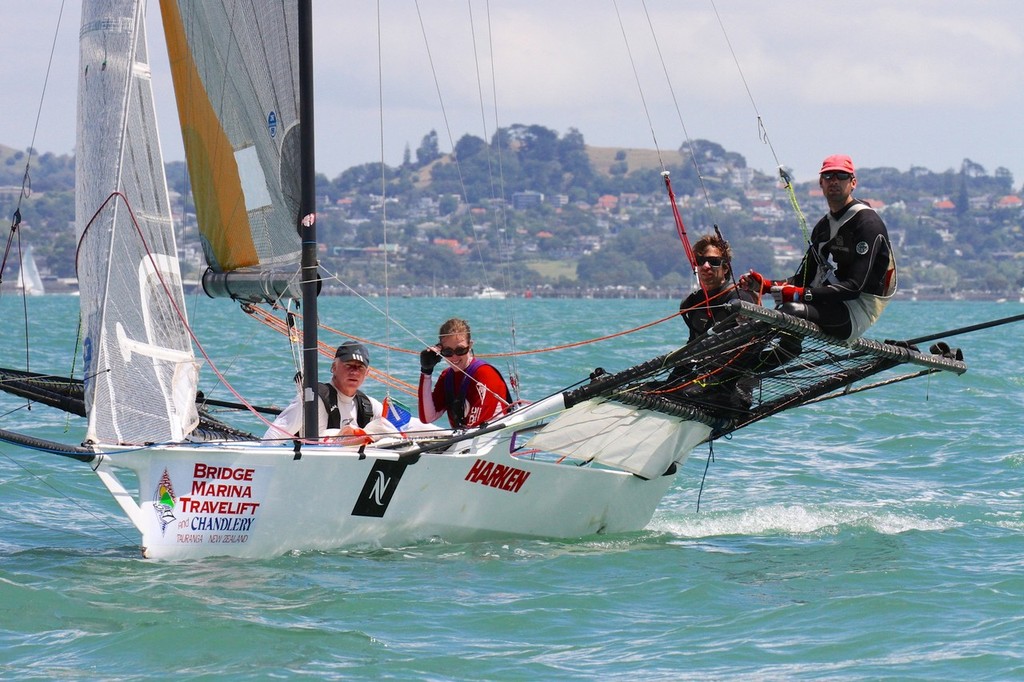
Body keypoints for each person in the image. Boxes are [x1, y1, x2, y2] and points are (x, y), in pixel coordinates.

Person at [741, 154, 897, 340]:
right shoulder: (823, 228)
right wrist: (765, 286)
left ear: (853, 182)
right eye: (829, 176)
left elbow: (854, 288)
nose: (834, 181)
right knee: (782, 310)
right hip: (833, 301)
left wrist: (800, 295)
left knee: (790, 309)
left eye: (841, 175)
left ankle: (766, 353)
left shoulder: (868, 224)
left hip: (858, 310)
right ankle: (748, 358)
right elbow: (803, 279)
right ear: (821, 183)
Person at [264, 340, 398, 443]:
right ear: (334, 367)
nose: (354, 372)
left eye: (360, 367)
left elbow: (396, 432)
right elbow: (273, 437)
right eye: (348, 365)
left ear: (367, 373)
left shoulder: (369, 406)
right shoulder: (313, 400)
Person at [418, 318, 512, 429]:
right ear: (440, 351)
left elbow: (476, 428)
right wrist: (426, 372)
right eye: (448, 351)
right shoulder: (446, 376)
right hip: (464, 440)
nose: (454, 357)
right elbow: (427, 418)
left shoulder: (485, 374)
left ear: (470, 345)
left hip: (490, 441)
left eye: (460, 350)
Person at [679, 234, 757, 344]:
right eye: (700, 261)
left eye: (713, 262)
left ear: (725, 268)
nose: (706, 266)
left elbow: (754, 340)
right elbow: (692, 341)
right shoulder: (692, 302)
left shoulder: (739, 298)